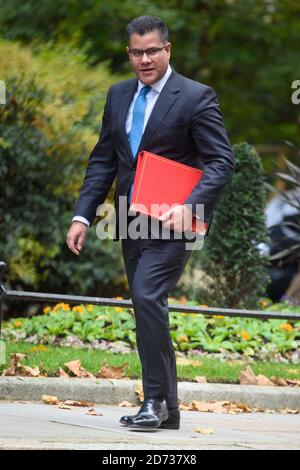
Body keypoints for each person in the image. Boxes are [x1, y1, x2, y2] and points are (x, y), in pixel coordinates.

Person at [67, 15, 235, 430]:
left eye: (152, 51)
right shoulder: (119, 94)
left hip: (176, 223)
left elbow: (221, 161)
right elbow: (104, 159)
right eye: (137, 53)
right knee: (147, 307)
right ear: (129, 54)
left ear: (168, 50)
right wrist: (83, 215)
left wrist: (191, 205)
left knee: (145, 297)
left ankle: (155, 400)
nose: (145, 59)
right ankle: (168, 409)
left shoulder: (196, 97)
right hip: (130, 220)